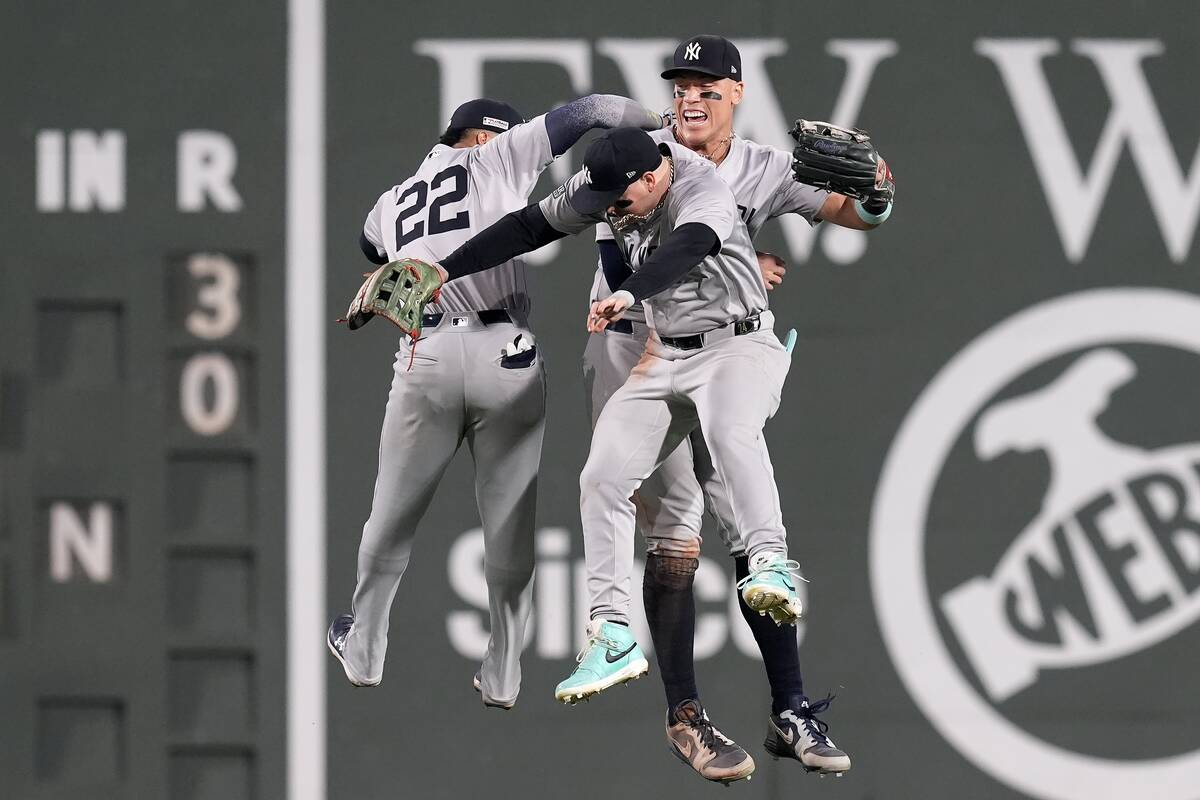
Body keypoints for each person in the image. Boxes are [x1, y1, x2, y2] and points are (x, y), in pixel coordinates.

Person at [433, 124, 808, 784]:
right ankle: (610, 632)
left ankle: (771, 565)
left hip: (736, 346)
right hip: (664, 355)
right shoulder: (614, 186)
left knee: (728, 434)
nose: (608, 209)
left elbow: (688, 245)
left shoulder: (701, 188)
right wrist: (442, 267)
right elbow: (528, 227)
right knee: (602, 477)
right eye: (601, 199)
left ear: (653, 176)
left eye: (619, 198)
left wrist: (631, 292)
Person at [582, 35, 894, 781]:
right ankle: (684, 715)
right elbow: (623, 260)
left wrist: (880, 192)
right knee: (678, 527)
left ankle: (790, 708)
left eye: (708, 87)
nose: (691, 98)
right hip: (633, 340)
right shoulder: (639, 154)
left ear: (737, 95)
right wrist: (732, 260)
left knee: (741, 506)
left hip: (716, 347)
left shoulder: (761, 166)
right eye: (681, 85)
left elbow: (856, 213)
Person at [326, 94, 663, 710]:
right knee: (508, 526)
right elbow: (594, 111)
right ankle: (504, 673)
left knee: (390, 517)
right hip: (505, 353)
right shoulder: (496, 157)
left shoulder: (390, 202)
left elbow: (371, 248)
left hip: (424, 351)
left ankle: (365, 649)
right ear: (482, 137)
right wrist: (661, 128)